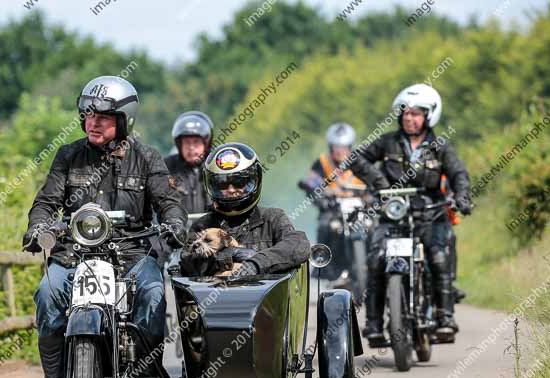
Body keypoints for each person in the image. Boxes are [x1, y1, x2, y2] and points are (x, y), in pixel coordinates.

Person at [22, 75, 187, 378]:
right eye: (88, 115)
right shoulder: (68, 156)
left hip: (131, 253)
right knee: (47, 291)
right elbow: (46, 201)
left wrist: (174, 223)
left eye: (103, 118)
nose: (92, 123)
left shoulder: (147, 158)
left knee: (154, 294)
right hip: (75, 254)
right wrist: (37, 226)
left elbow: (168, 201)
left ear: (124, 121)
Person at [355, 84, 472, 342]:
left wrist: (461, 196)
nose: (409, 118)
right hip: (393, 213)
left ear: (429, 116)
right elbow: (357, 159)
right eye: (406, 113)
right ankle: (373, 324)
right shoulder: (387, 142)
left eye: (416, 114)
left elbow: (459, 174)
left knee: (438, 256)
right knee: (376, 260)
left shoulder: (441, 147)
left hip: (431, 213)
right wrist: (379, 183)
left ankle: (444, 317)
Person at [180, 142, 310, 278]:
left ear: (254, 180)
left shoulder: (273, 218)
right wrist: (225, 257)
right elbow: (188, 262)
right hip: (218, 298)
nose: (231, 190)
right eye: (223, 184)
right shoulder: (202, 226)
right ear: (212, 185)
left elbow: (299, 245)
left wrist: (255, 263)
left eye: (238, 182)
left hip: (267, 297)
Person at [298, 122, 370, 281]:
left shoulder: (362, 162)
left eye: (344, 147)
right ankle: (323, 264)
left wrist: (371, 194)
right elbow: (313, 183)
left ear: (350, 146)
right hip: (334, 208)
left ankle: (378, 262)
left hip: (361, 207)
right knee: (325, 224)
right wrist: (320, 198)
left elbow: (374, 180)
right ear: (330, 147)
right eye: (336, 147)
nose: (339, 151)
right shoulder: (322, 163)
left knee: (377, 226)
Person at [164, 111, 215, 216]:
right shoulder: (166, 168)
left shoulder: (216, 167)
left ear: (206, 143)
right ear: (179, 144)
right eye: (187, 142)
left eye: (196, 142)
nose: (191, 148)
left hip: (212, 230)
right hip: (176, 230)